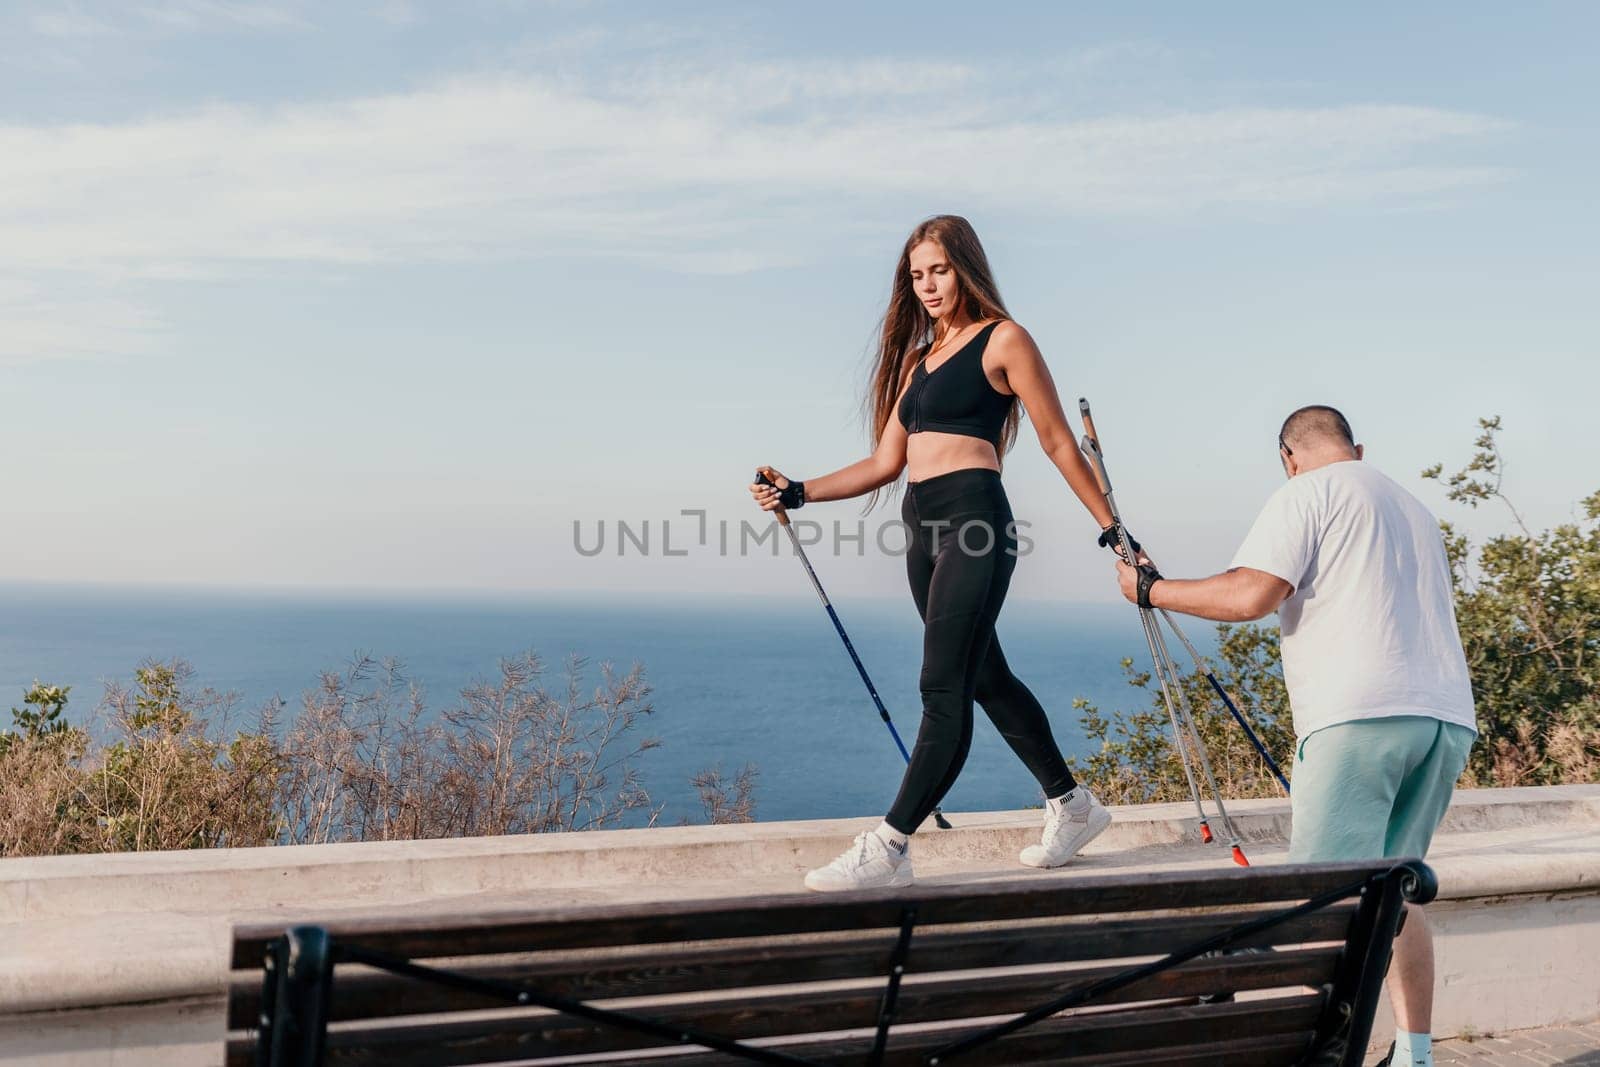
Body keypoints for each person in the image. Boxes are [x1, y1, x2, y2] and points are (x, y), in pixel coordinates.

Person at [750, 214, 1127, 893]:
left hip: (975, 522)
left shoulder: (1003, 339)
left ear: (966, 268)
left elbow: (1058, 442)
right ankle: (1073, 805)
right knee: (984, 676)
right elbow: (883, 462)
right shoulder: (919, 362)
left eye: (939, 270)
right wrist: (800, 491)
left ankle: (890, 845)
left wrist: (1111, 527)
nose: (927, 285)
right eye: (917, 274)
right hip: (921, 528)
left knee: (941, 688)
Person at [1115, 405, 1477, 1067]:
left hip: (1358, 718)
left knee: (1322, 910)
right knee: (1393, 892)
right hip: (1445, 718)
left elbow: (1251, 594)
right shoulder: (1414, 509)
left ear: (1289, 455)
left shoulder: (1305, 492)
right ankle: (1416, 1056)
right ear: (1356, 448)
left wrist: (1153, 589)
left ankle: (1321, 1056)